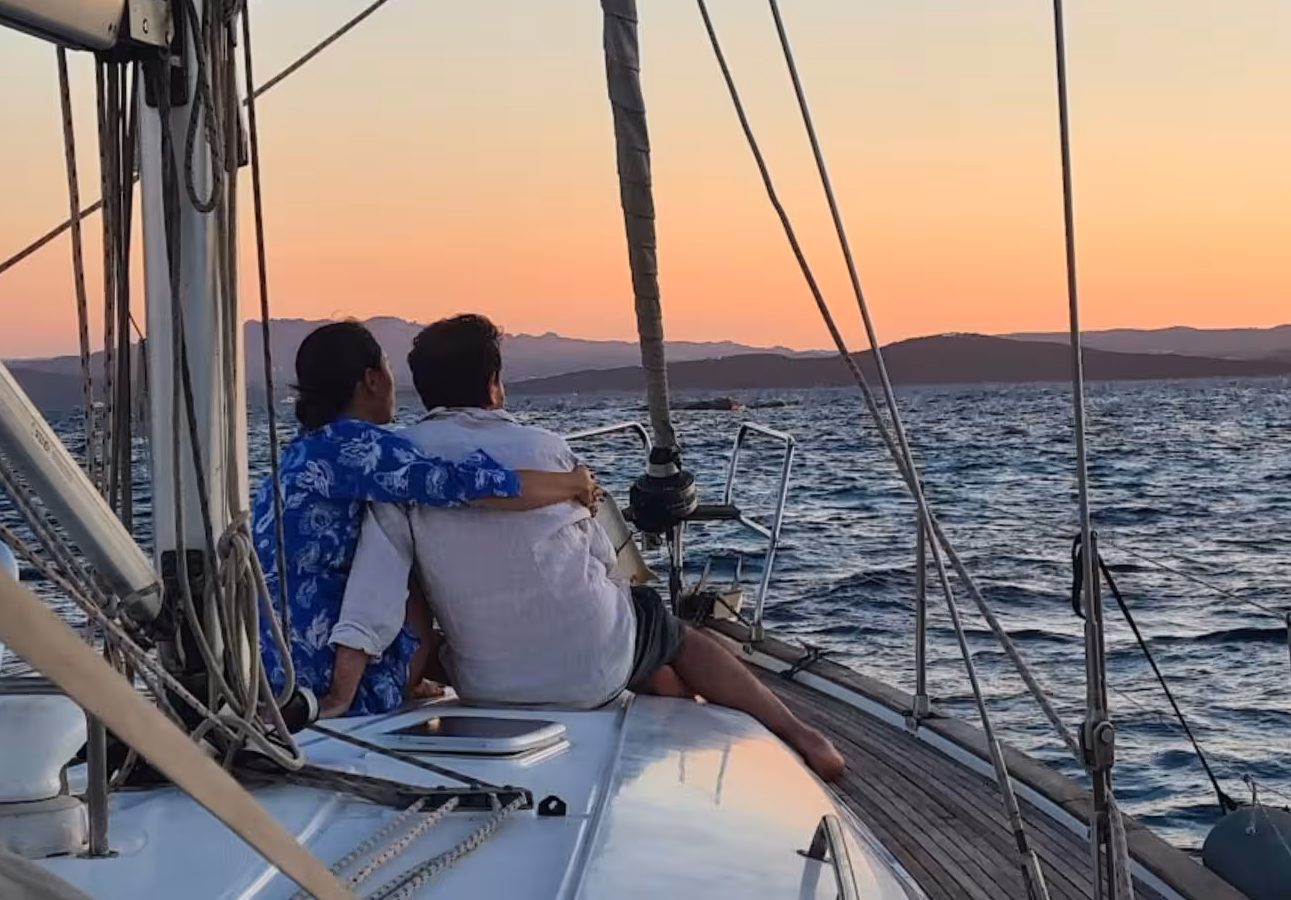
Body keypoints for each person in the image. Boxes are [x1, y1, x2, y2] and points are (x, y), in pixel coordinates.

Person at [326, 314, 845, 781]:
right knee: (673, 634)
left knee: (444, 630)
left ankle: (659, 687)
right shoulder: (545, 450)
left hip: (492, 686)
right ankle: (801, 734)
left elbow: (378, 590)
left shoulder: (400, 468)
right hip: (595, 668)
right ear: (494, 384)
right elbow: (601, 560)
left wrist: (340, 695)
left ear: (424, 391)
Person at [249, 320, 597, 719]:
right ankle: (378, 687)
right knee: (409, 554)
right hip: (320, 675)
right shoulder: (360, 448)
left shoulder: (303, 453)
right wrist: (573, 483)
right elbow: (478, 487)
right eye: (387, 368)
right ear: (371, 380)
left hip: (277, 670)